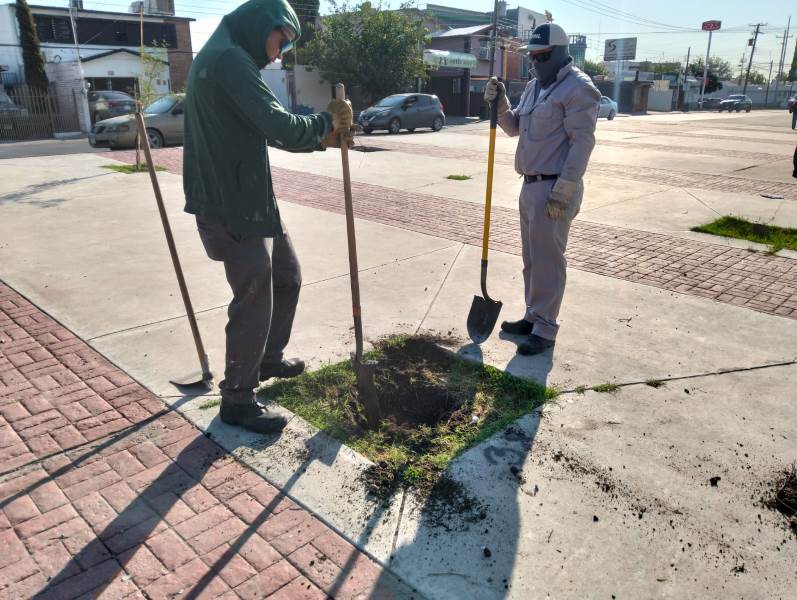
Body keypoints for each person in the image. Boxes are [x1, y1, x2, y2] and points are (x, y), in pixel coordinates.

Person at [182, 0, 353, 434]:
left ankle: (268, 360)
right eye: (281, 42)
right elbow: (278, 125)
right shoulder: (229, 61)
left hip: (250, 198)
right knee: (254, 295)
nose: (278, 55)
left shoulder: (225, 55)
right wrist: (324, 122)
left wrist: (320, 136)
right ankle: (238, 398)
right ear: (263, 26)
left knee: (287, 277)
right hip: (231, 205)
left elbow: (263, 127)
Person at [484, 23, 600, 356]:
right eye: (532, 57)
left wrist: (565, 188)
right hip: (530, 185)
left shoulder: (579, 89)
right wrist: (501, 104)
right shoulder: (536, 87)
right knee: (532, 260)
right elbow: (514, 127)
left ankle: (546, 329)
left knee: (549, 261)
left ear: (560, 54)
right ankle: (534, 316)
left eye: (541, 56)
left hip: (555, 188)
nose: (534, 62)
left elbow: (582, 143)